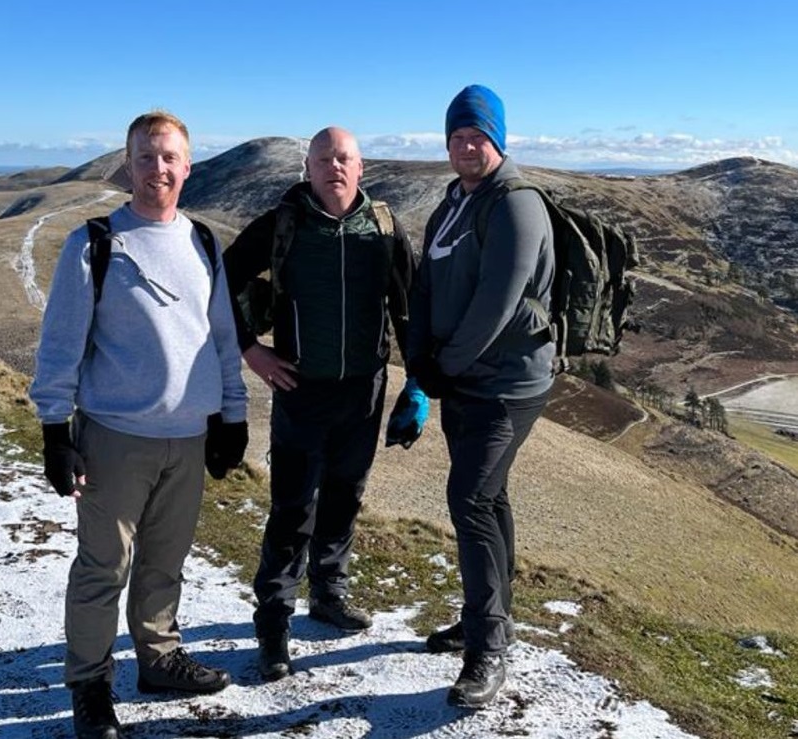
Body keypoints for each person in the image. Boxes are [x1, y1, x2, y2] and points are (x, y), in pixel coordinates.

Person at [29, 110, 248, 739]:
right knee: (103, 568)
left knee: (165, 562)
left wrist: (231, 415)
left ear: (187, 165)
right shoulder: (94, 243)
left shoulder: (203, 242)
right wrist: (54, 431)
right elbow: (61, 344)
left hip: (190, 437)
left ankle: (157, 660)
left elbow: (222, 339)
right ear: (128, 166)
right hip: (116, 438)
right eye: (146, 157)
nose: (158, 169)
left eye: (170, 157)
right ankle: (90, 685)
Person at [222, 126, 423, 682]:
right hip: (299, 390)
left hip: (365, 389)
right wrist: (249, 349)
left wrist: (418, 383)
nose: (335, 167)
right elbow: (222, 278)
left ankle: (329, 594)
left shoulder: (382, 227)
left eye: (345, 158)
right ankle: (274, 624)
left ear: (361, 169)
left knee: (345, 495)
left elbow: (409, 304)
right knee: (292, 507)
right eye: (323, 159)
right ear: (307, 169)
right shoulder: (284, 223)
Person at [408, 85, 555, 708]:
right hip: (462, 377)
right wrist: (422, 363)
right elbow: (428, 281)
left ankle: (487, 648)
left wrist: (445, 365)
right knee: (488, 499)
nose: (467, 146)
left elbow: (498, 302)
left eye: (478, 136)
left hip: (507, 385)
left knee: (469, 499)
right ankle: (491, 618)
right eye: (458, 136)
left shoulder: (516, 205)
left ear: (498, 140)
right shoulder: (452, 201)